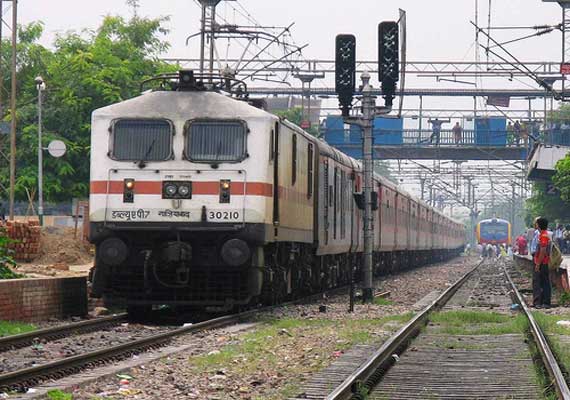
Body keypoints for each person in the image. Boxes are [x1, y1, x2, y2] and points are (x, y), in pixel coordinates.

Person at [533, 217, 552, 308]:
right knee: (542, 282)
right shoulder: (543, 235)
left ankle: (544, 302)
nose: (535, 225)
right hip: (542, 262)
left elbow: (543, 251)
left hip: (543, 263)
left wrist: (538, 264)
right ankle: (541, 302)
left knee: (543, 282)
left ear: (539, 225)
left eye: (536, 223)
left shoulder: (543, 236)